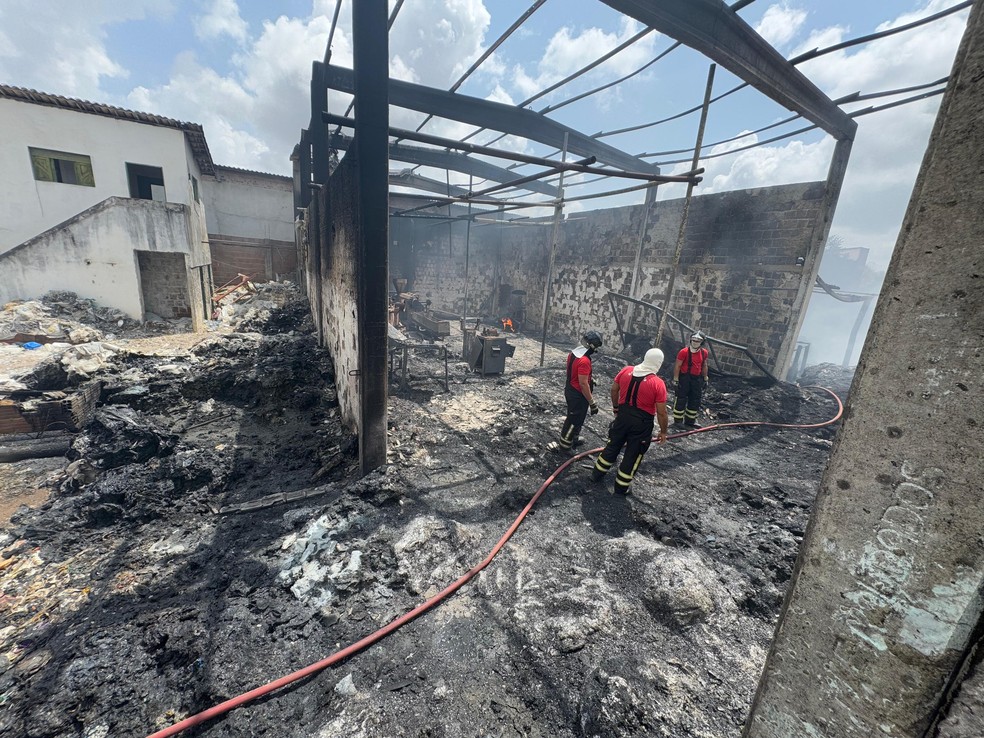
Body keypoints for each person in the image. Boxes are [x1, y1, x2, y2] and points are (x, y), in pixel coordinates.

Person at [591, 348, 668, 494]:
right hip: (642, 423)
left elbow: (614, 390)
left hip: (622, 417)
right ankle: (621, 488)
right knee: (633, 454)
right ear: (658, 363)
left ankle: (596, 474)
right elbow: (662, 412)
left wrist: (616, 408)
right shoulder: (658, 384)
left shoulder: (626, 370)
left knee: (613, 445)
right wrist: (663, 431)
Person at [556, 330, 603, 451]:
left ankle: (574, 439)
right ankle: (565, 445)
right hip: (578, 394)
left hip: (570, 389)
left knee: (578, 418)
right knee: (574, 420)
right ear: (592, 345)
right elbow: (583, 384)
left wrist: (590, 380)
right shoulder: (585, 361)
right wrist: (592, 403)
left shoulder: (573, 354)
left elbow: (576, 374)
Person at [673, 331, 709, 428]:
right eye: (694, 339)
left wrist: (705, 378)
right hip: (685, 378)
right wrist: (676, 380)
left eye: (698, 340)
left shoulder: (704, 353)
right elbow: (677, 366)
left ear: (702, 342)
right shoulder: (684, 352)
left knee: (695, 399)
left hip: (696, 379)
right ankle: (678, 421)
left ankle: (690, 420)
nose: (695, 342)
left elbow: (704, 365)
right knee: (681, 398)